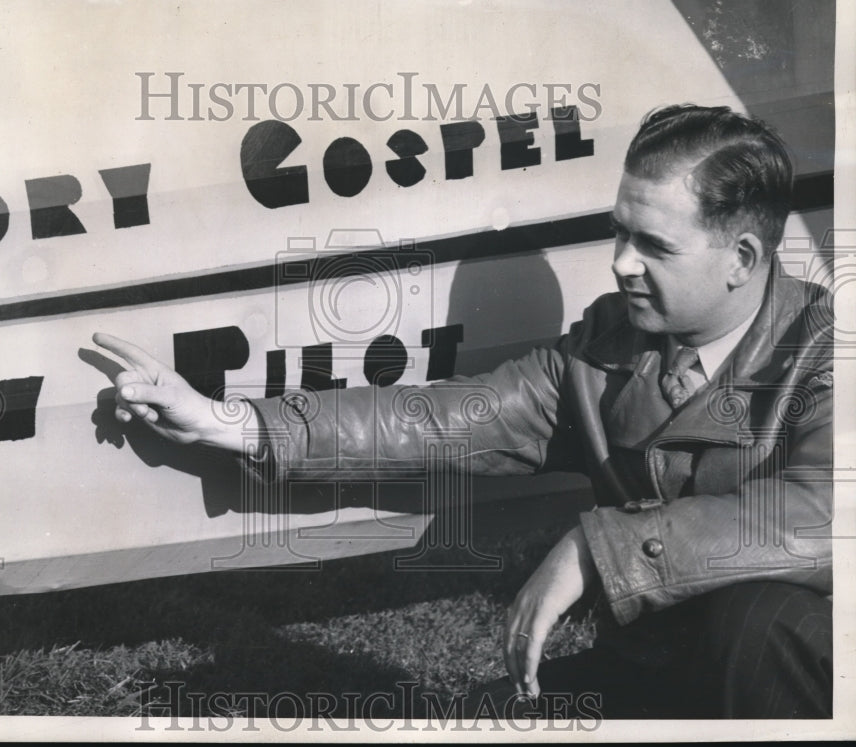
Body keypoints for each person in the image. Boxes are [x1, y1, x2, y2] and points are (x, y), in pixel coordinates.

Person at [94, 104, 833, 719]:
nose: (620, 262)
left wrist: (594, 550)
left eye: (652, 244)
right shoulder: (607, 346)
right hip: (665, 679)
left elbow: (825, 512)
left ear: (740, 257)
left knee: (760, 623)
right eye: (619, 231)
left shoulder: (831, 352)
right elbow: (446, 418)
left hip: (798, 692)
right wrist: (234, 422)